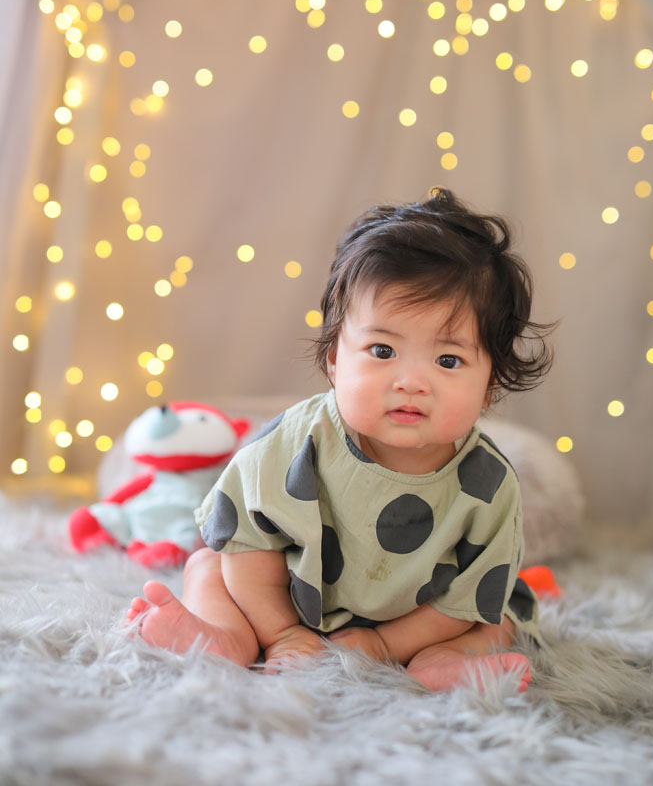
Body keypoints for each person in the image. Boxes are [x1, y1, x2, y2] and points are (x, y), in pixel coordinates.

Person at [127, 188, 553, 692]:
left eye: (447, 360)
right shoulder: (297, 442)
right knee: (209, 565)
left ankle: (440, 664)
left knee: (496, 616)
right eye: (382, 350)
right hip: (285, 599)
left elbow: (465, 597)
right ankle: (225, 637)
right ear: (334, 361)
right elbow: (247, 539)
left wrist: (383, 645)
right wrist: (282, 632)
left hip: (423, 619)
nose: (411, 382)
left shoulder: (489, 484)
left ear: (490, 387)